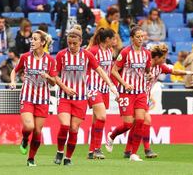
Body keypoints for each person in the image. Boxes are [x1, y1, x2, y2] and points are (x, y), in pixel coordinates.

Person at [123, 43, 193, 158]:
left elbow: (174, 71)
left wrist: (190, 72)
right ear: (157, 57)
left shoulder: (160, 67)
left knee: (137, 124)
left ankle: (128, 150)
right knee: (145, 121)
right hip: (134, 95)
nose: (165, 60)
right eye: (163, 58)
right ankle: (146, 149)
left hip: (143, 97)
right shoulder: (144, 64)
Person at [53, 25, 117, 166]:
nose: (72, 46)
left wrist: (111, 85)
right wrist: (64, 87)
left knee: (74, 129)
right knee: (64, 126)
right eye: (69, 43)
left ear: (81, 42)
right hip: (64, 97)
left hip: (81, 98)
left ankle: (68, 158)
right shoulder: (61, 55)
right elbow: (55, 75)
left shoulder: (87, 55)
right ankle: (59, 151)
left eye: (74, 43)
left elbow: (100, 70)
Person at [10, 30, 56, 166]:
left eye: (35, 39)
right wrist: (13, 81)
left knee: (37, 131)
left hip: (42, 99)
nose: (32, 41)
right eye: (32, 39)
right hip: (27, 96)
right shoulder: (25, 57)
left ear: (42, 42)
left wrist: (47, 77)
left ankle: (31, 158)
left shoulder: (49, 60)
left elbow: (53, 82)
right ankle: (24, 139)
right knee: (29, 126)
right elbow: (14, 70)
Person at [105, 26, 151, 162]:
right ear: (132, 38)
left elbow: (147, 71)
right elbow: (113, 71)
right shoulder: (125, 52)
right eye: (138, 37)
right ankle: (111, 136)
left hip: (141, 92)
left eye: (142, 36)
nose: (141, 39)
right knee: (128, 124)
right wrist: (124, 84)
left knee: (140, 121)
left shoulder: (147, 54)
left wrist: (148, 76)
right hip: (126, 92)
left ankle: (133, 153)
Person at [86, 28, 116, 159]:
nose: (115, 41)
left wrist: (114, 86)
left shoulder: (110, 51)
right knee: (102, 117)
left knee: (96, 120)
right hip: (92, 87)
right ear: (107, 39)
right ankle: (98, 148)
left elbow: (109, 71)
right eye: (113, 39)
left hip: (104, 89)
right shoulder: (93, 50)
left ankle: (91, 151)